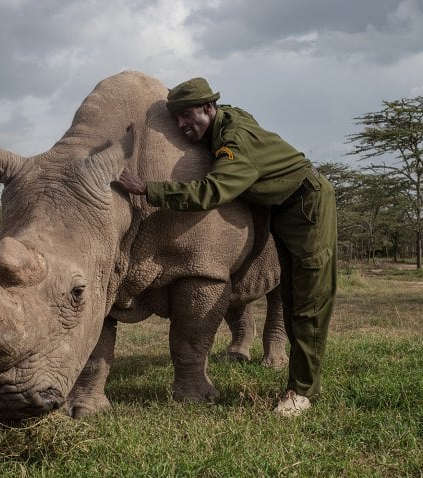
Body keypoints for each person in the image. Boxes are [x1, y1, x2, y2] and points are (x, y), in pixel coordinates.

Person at [117, 77, 337, 417]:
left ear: (209, 108)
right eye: (176, 119)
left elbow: (212, 192)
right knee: (291, 294)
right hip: (279, 207)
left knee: (308, 298)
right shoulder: (226, 121)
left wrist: (150, 190)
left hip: (305, 207)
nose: (182, 125)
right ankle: (303, 380)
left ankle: (301, 392)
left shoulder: (233, 142)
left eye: (187, 115)